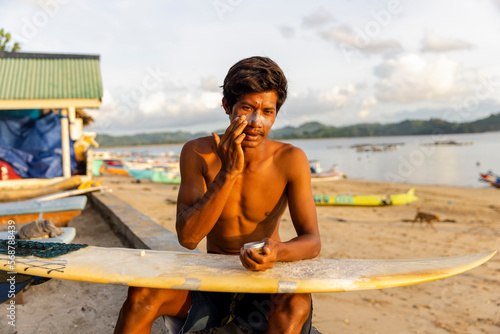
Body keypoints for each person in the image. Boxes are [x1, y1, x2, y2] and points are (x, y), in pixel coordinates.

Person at [114, 56, 321, 334]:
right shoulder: (198, 153)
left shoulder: (290, 159)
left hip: (265, 282)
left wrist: (278, 252)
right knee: (142, 294)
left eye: (267, 112)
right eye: (247, 108)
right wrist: (228, 173)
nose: (256, 122)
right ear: (227, 105)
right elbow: (188, 238)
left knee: (296, 303)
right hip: (214, 281)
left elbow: (312, 240)